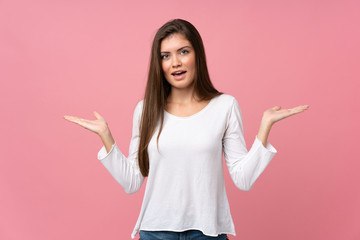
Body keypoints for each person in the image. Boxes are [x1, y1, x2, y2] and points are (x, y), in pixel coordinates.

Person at [64, 19, 309, 240]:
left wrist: (265, 127)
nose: (176, 62)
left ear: (197, 55)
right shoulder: (146, 110)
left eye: (183, 52)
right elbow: (132, 182)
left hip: (208, 232)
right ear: (158, 63)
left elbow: (243, 179)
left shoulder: (224, 106)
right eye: (165, 56)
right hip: (156, 231)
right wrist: (106, 136)